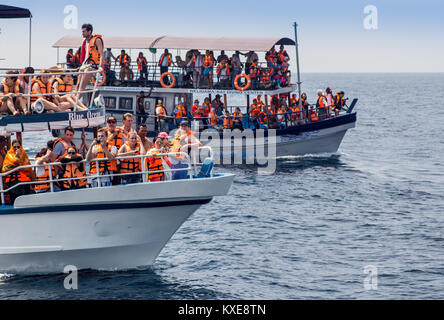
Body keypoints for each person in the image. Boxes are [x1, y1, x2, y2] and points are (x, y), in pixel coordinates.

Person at [76, 24, 104, 99]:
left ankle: (74, 103)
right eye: (82, 31)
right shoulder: (84, 41)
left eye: (84, 31)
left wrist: (100, 67)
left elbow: (101, 54)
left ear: (89, 31)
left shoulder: (97, 40)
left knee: (82, 86)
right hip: (84, 65)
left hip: (92, 66)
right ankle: (74, 100)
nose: (82, 33)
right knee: (78, 85)